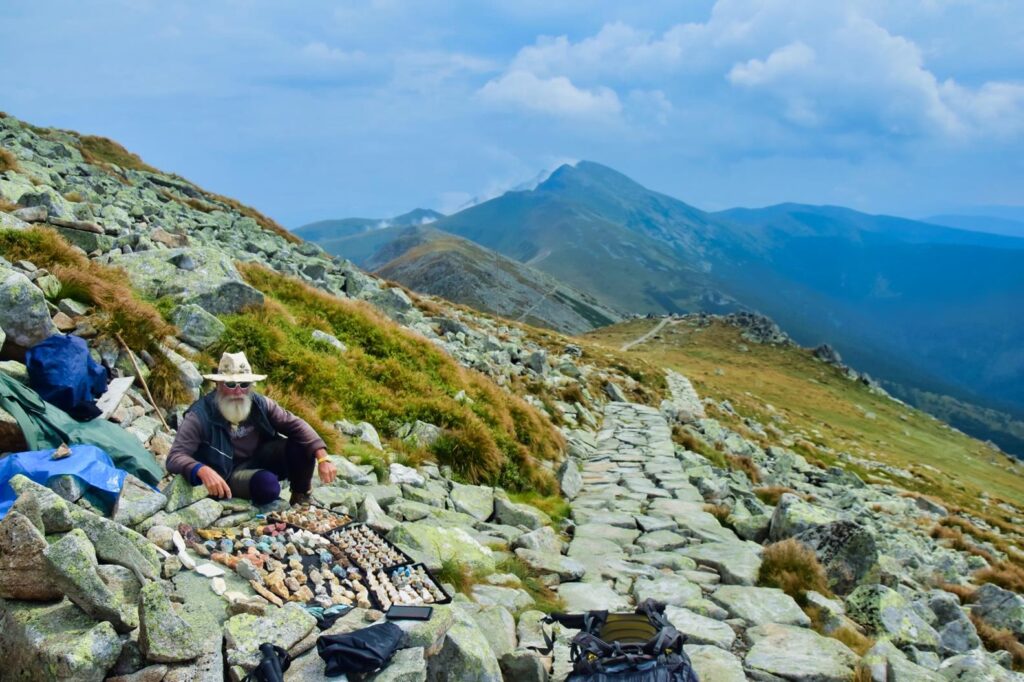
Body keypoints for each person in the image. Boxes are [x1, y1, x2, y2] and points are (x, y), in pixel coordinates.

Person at [166, 351, 337, 505]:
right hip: (229, 472)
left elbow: (296, 425)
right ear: (218, 385)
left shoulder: (259, 403)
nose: (238, 391)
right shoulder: (199, 415)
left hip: (261, 456)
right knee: (267, 486)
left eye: (244, 384)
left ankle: (301, 496)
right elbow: (175, 457)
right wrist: (202, 470)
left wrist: (322, 457)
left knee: (303, 444)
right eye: (231, 385)